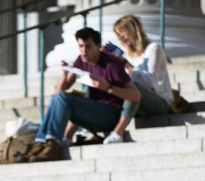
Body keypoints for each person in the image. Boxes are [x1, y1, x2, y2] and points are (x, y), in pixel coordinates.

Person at [28, 27, 141, 162]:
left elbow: (136, 95)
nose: (83, 50)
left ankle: (53, 144)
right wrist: (64, 75)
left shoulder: (112, 64)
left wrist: (109, 88)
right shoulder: (81, 60)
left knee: (64, 98)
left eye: (88, 46)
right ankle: (42, 142)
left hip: (109, 115)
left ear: (98, 46)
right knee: (57, 98)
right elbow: (59, 92)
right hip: (92, 113)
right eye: (81, 46)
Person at [105, 14, 173, 144]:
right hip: (138, 103)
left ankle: (118, 132)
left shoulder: (153, 49)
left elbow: (150, 82)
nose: (121, 38)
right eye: (118, 35)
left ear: (133, 30)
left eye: (122, 33)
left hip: (159, 101)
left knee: (132, 87)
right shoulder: (126, 54)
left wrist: (128, 66)